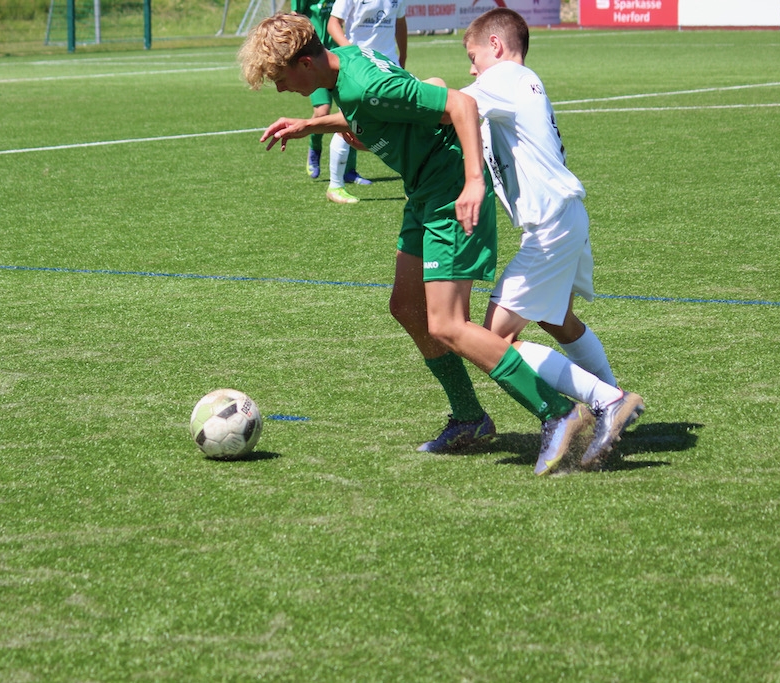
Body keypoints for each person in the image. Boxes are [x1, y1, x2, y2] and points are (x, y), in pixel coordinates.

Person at [237, 12, 594, 475]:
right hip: (423, 190)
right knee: (406, 306)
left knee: (447, 325)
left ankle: (559, 413)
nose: (281, 88)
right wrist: (312, 125)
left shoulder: (364, 83)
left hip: (449, 191)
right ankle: (469, 418)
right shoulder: (347, 62)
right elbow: (385, 111)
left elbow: (459, 105)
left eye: (281, 78)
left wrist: (473, 181)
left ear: (305, 63)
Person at [453, 7, 644, 470]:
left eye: (473, 57)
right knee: (558, 320)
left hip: (551, 225)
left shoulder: (504, 78)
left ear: (496, 46)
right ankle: (614, 402)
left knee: (495, 340)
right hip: (566, 216)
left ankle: (608, 400)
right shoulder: (521, 82)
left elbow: (450, 105)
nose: (473, 69)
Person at [321, 0, 408, 204]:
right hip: (359, 66)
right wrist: (353, 53)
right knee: (348, 122)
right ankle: (335, 185)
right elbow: (333, 24)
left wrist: (403, 55)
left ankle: (411, 184)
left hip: (388, 65)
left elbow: (400, 22)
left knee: (403, 122)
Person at [291, 0, 369, 187]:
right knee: (322, 111)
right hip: (314, 59)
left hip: (337, 56)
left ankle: (349, 170)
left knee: (351, 112)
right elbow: (294, 18)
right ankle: (315, 148)